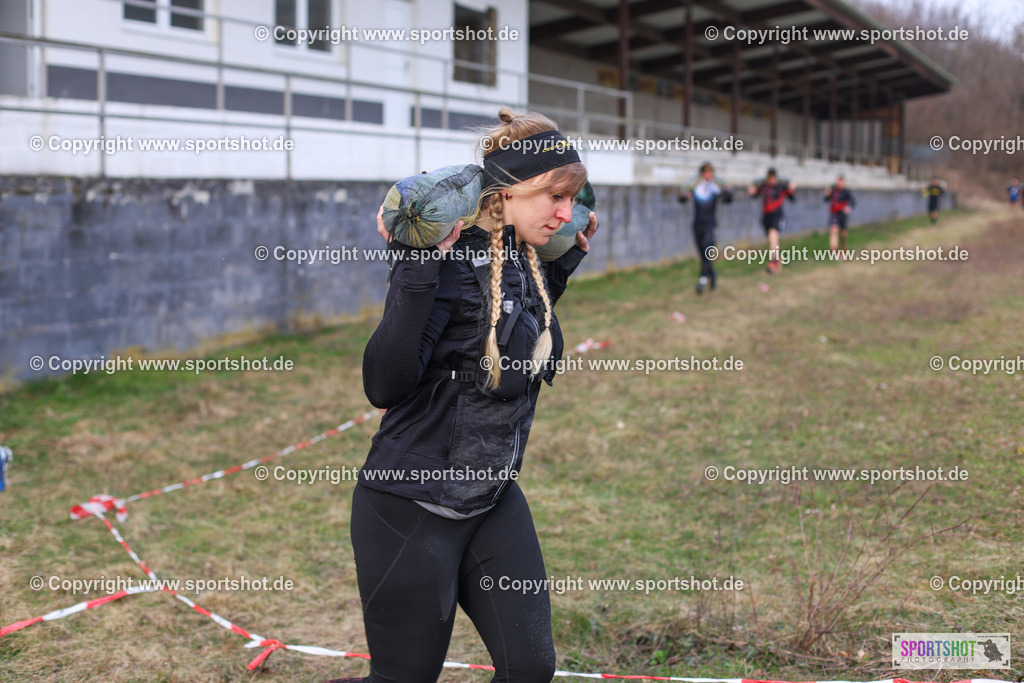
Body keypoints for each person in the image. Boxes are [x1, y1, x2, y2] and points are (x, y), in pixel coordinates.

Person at [331, 107, 598, 683]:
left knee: (530, 668)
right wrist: (418, 265)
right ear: (506, 192)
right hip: (409, 506)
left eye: (571, 198)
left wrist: (567, 258)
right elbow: (383, 384)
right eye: (554, 196)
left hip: (491, 496)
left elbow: (512, 335)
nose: (565, 211)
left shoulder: (526, 258)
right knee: (405, 677)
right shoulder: (447, 259)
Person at [679, 162, 732, 294]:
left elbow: (728, 199)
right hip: (697, 224)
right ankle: (712, 275)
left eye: (710, 173)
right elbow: (682, 199)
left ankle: (702, 281)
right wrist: (683, 195)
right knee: (703, 254)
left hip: (711, 225)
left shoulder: (715, 188)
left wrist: (728, 191)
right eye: (706, 173)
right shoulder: (696, 187)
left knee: (707, 251)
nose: (708, 175)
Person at [748, 168, 796, 274]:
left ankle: (773, 261)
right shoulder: (763, 187)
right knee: (771, 240)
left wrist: (792, 189)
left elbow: (792, 198)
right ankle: (777, 258)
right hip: (766, 217)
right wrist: (752, 192)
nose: (771, 180)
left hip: (777, 215)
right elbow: (755, 195)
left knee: (772, 235)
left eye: (773, 178)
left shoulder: (781, 187)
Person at [823, 176, 855, 258]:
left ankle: (843, 248)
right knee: (834, 230)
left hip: (843, 215)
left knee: (843, 233)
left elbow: (852, 201)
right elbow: (826, 199)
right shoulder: (833, 190)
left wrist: (849, 207)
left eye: (841, 182)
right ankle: (833, 249)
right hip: (834, 214)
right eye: (838, 182)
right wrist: (827, 194)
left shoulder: (846, 192)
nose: (839, 184)